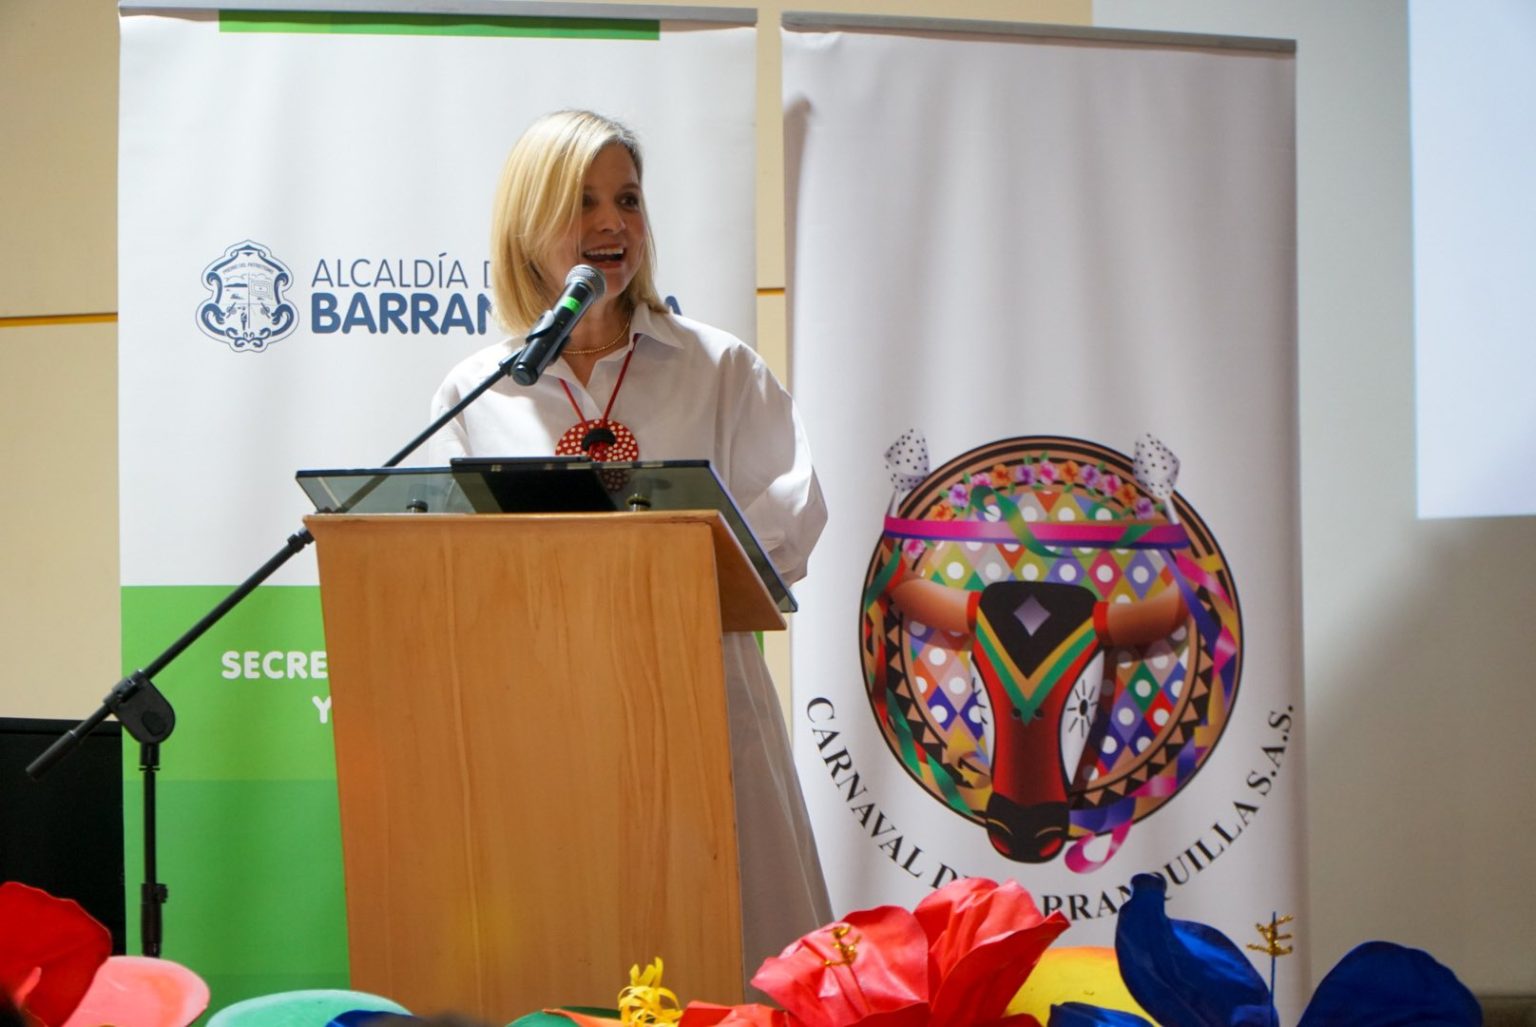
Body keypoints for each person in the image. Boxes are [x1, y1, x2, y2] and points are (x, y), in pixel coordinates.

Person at [427, 110, 833, 982]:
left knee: (734, 962)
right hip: (550, 719)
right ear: (528, 228)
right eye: (583, 202)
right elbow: (451, 567)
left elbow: (793, 509)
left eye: (629, 199)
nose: (613, 223)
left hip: (706, 704)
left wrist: (674, 564)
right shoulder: (479, 389)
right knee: (572, 956)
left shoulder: (717, 367)